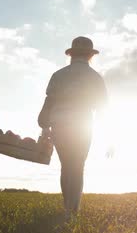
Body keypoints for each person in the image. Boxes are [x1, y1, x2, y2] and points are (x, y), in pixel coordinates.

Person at [38, 36, 108, 213]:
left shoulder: (58, 75)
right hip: (82, 126)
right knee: (77, 166)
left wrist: (44, 126)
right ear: (90, 56)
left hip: (59, 125)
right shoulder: (95, 77)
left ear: (71, 55)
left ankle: (67, 207)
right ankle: (72, 212)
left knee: (66, 166)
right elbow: (102, 108)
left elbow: (49, 102)